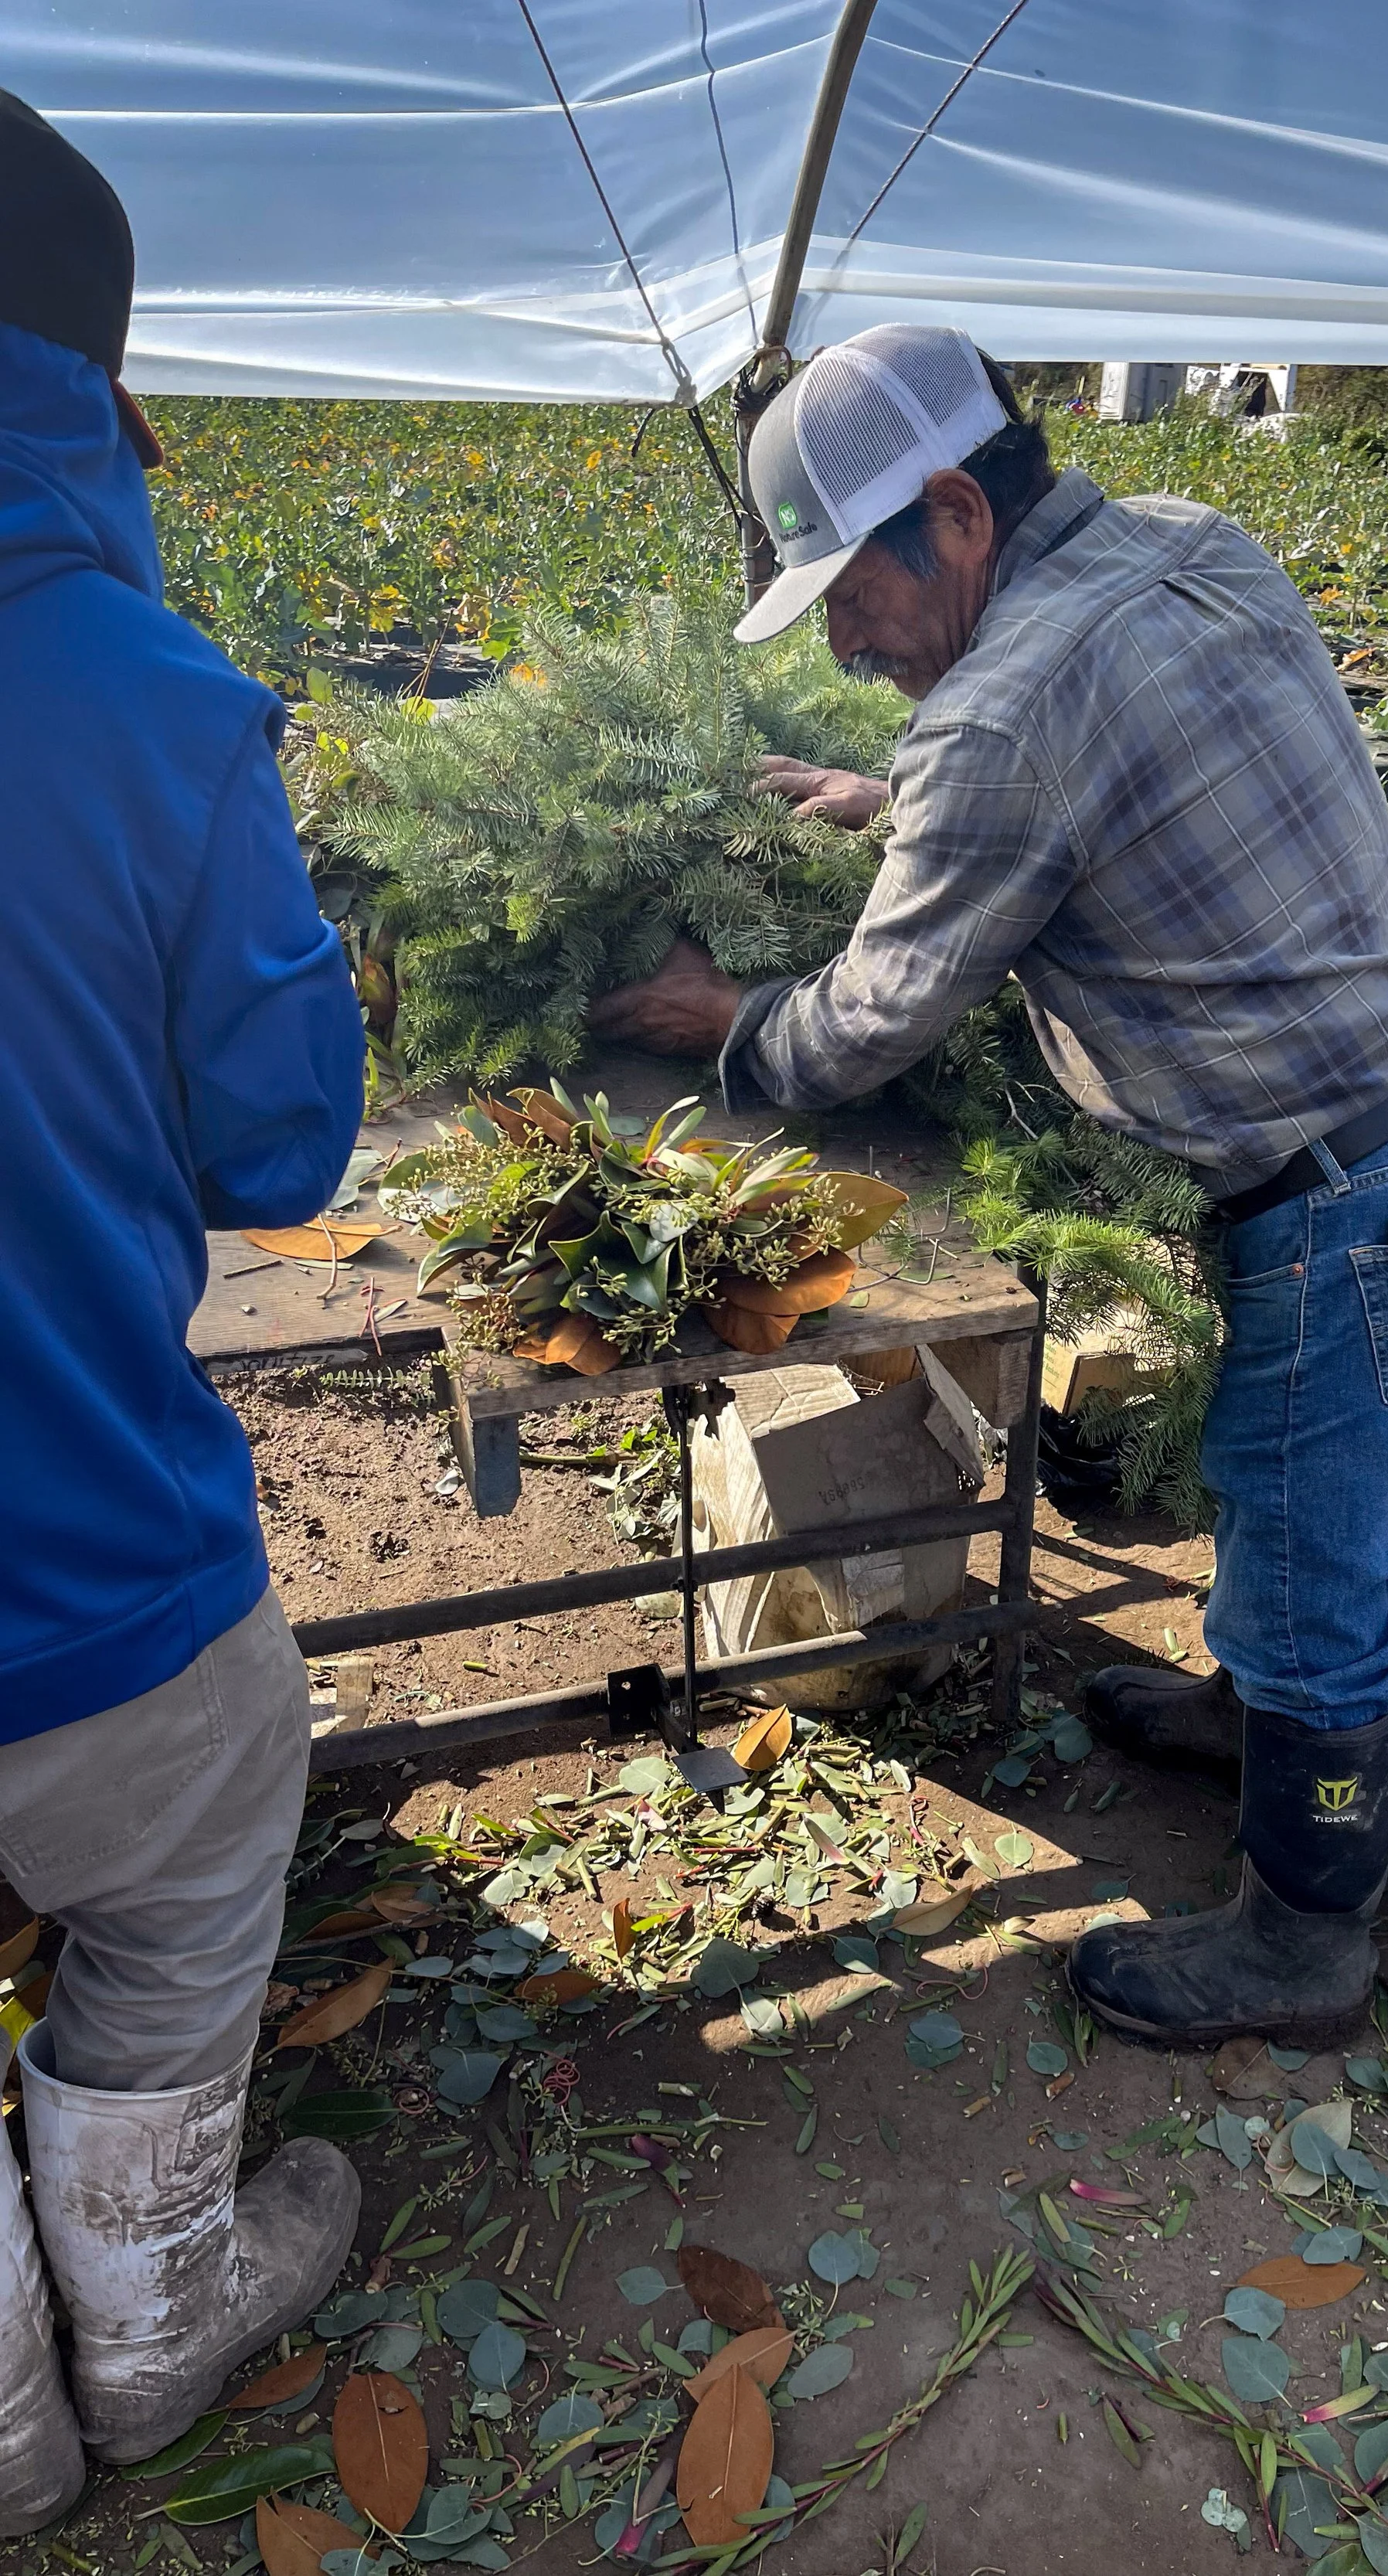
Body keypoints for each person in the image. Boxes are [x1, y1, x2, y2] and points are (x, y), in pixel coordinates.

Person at [591, 324, 1388, 2058]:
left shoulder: (999, 718)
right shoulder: (1186, 541)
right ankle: (1247, 1714)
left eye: (849, 595)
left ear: (950, 512)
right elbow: (1115, 757)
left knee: (1323, 1559)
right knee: (1275, 1475)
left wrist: (719, 1023)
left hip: (1350, 1193)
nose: (849, 640)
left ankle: (1303, 1941)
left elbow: (867, 1021)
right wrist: (893, 799)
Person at [0, 94, 368, 2528]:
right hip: (80, 1568)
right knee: (204, 1823)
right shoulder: (141, 693)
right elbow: (280, 1148)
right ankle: (142, 2325)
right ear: (107, 403)